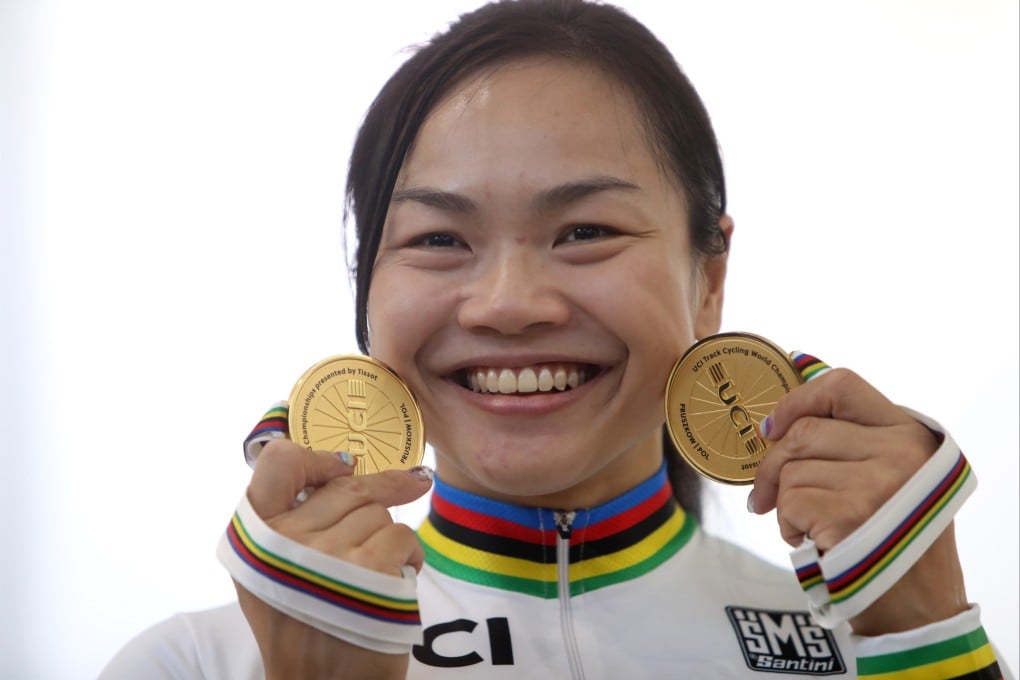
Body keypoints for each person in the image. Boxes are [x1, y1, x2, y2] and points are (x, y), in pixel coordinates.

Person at [101, 1, 1009, 678]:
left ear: (710, 280)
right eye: (437, 240)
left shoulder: (869, 652)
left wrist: (926, 641)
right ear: (366, 292)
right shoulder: (195, 665)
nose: (507, 304)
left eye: (584, 232)